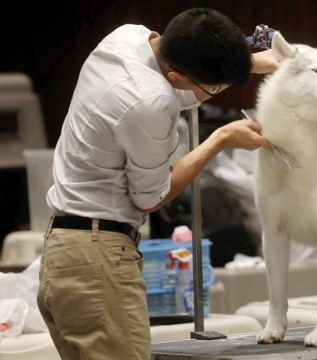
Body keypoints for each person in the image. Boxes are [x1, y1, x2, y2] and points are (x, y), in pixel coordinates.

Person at [36, 7, 274, 359]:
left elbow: (170, 84)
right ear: (177, 77)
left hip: (68, 255)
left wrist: (245, 57)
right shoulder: (150, 101)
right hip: (97, 261)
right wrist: (219, 139)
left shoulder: (127, 36)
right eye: (214, 87)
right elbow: (152, 195)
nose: (214, 92)